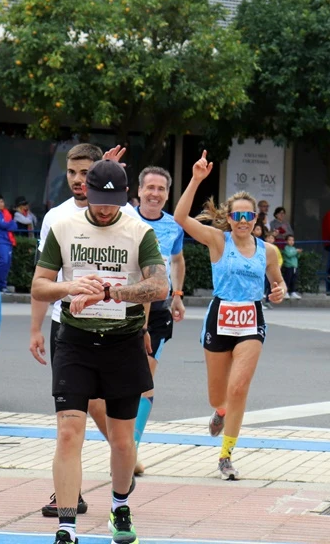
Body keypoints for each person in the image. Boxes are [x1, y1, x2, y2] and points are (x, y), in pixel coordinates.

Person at [31, 159, 170, 544]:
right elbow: (40, 286)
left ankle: (119, 505)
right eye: (97, 200)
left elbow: (159, 287)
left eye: (112, 201)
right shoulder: (63, 228)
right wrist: (70, 288)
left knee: (123, 440)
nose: (105, 208)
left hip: (123, 342)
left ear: (125, 197)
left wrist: (110, 293)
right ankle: (66, 525)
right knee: (68, 433)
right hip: (75, 342)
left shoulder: (139, 231)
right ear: (85, 194)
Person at [30, 143, 137, 518]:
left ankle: (123, 462)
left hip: (116, 328)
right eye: (72, 173)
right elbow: (42, 279)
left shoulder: (127, 218)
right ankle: (66, 499)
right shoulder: (57, 219)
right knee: (70, 422)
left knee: (99, 411)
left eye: (85, 173)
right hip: (68, 325)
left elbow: (146, 274)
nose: (77, 180)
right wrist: (35, 328)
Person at [173, 152, 286, 481]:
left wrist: (277, 292)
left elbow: (277, 284)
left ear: (256, 218)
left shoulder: (269, 250)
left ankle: (226, 454)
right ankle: (219, 412)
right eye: (237, 215)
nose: (243, 220)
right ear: (229, 217)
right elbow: (180, 217)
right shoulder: (216, 240)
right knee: (218, 393)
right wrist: (196, 179)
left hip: (251, 317)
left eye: (248, 215)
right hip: (220, 315)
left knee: (239, 388)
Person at [131, 166, 187, 455]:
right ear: (138, 190)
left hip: (159, 311)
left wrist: (177, 294)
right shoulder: (124, 218)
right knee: (120, 378)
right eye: (149, 187)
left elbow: (177, 260)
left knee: (144, 378)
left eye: (161, 189)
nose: (155, 194)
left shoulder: (173, 225)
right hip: (125, 308)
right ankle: (121, 443)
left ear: (167, 194)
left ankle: (132, 447)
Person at [282, 235, 301, 299]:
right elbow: (289, 255)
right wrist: (296, 251)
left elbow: (297, 257)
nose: (291, 241)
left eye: (292, 240)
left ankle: (293, 292)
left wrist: (298, 253)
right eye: (289, 240)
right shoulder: (286, 248)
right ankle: (285, 292)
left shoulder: (293, 248)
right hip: (288, 266)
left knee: (293, 280)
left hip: (294, 266)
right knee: (287, 279)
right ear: (286, 241)